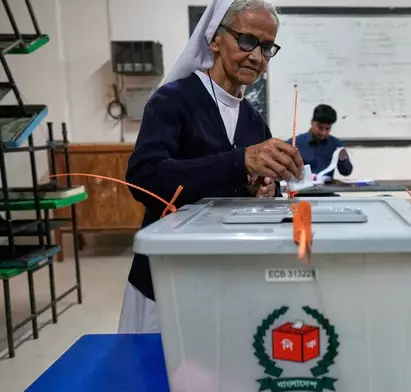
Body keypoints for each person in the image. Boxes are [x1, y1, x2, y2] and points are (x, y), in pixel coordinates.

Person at [118, 0, 304, 333]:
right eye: (246, 40)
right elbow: (144, 179)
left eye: (266, 47)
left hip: (231, 274)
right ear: (214, 40)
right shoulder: (173, 101)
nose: (256, 56)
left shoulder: (254, 120)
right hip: (170, 277)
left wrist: (263, 189)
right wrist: (239, 161)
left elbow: (243, 185)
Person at [287, 104, 352, 180]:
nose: (323, 133)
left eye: (327, 129)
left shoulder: (335, 143)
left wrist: (342, 159)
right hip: (302, 190)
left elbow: (346, 172)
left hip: (327, 190)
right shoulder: (294, 143)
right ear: (312, 122)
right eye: (320, 128)